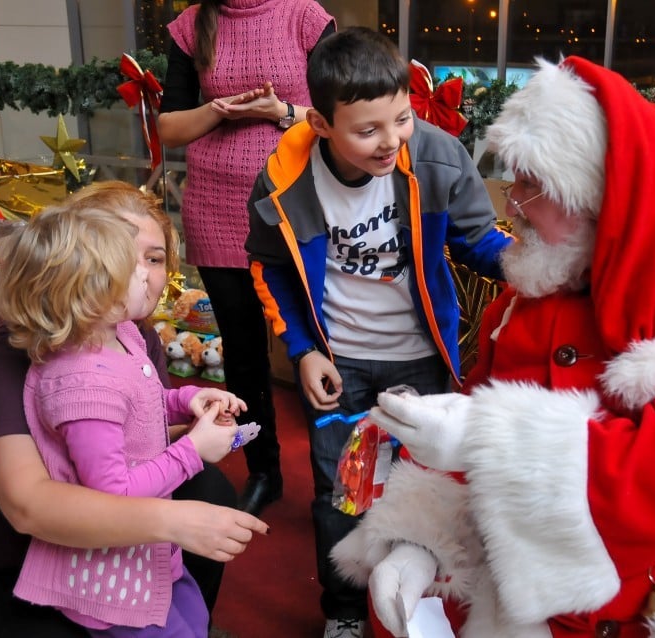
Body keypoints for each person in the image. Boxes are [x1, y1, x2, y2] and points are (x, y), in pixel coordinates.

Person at [330, 58, 655, 637]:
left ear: (597, 195)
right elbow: (470, 441)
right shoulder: (529, 295)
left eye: (530, 184)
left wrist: (484, 438)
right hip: (550, 595)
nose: (512, 203)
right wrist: (422, 544)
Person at [0, 182, 268, 638]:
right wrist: (176, 517)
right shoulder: (19, 350)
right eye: (119, 255)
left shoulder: (131, 335)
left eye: (154, 259)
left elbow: (127, 433)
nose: (139, 274)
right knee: (193, 504)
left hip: (70, 544)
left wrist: (191, 421)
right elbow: (30, 506)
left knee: (208, 489)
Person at [245, 26, 513, 638]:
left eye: (400, 119)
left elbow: (479, 241)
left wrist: (539, 271)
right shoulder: (285, 181)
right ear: (319, 123)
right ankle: (343, 614)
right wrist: (303, 349)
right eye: (368, 130)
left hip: (421, 361)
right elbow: (268, 266)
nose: (390, 141)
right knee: (343, 497)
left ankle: (418, 613)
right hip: (342, 366)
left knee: (424, 492)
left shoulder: (437, 157)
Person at [157, 0, 335, 517]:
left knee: (314, 340)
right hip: (215, 204)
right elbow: (169, 127)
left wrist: (276, 112)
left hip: (292, 204)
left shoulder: (305, 17)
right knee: (242, 350)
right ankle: (263, 469)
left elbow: (338, 116)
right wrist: (217, 110)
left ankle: (333, 475)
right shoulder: (192, 26)